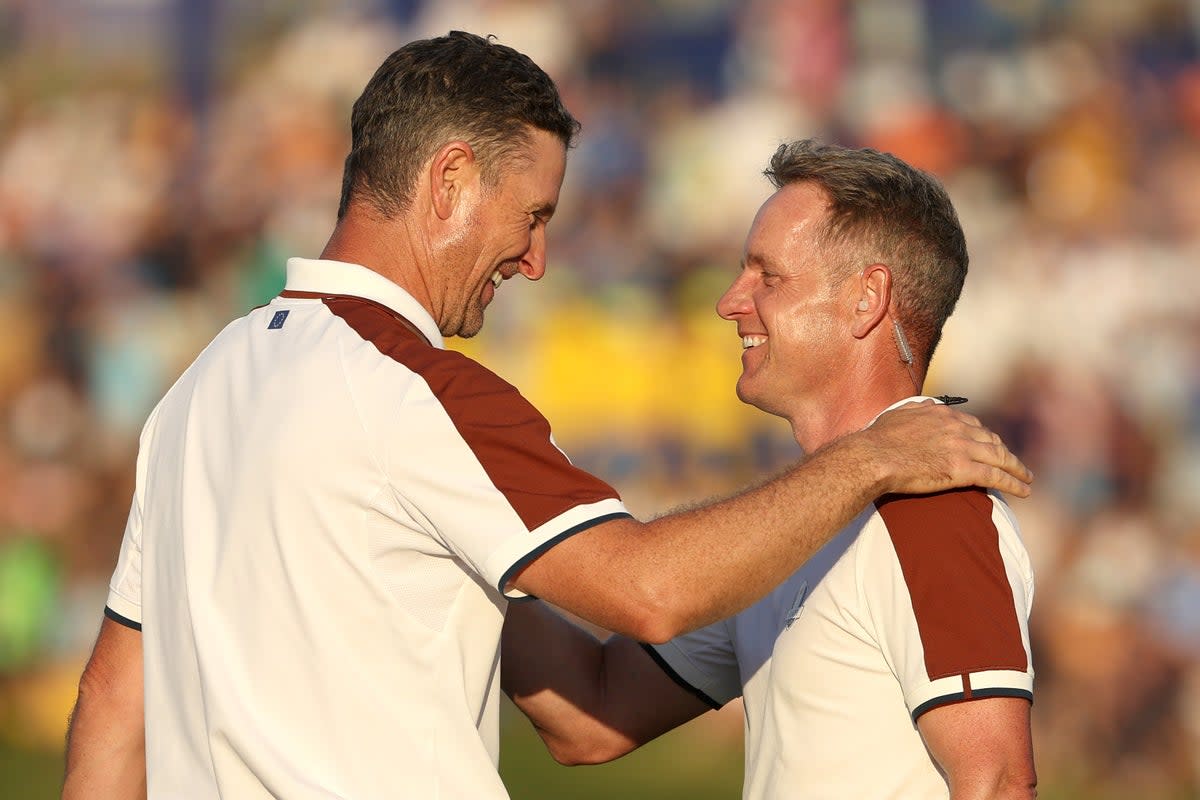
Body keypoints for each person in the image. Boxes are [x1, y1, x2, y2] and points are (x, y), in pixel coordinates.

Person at [61, 32, 1032, 800]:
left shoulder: (201, 386)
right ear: (448, 181)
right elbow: (645, 596)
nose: (533, 260)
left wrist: (474, 552)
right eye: (532, 214)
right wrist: (870, 458)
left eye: (765, 274)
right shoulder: (420, 387)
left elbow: (114, 700)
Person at [503, 139, 1037, 799]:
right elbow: (593, 713)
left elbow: (1000, 782)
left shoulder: (932, 510)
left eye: (768, 276)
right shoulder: (803, 518)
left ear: (868, 298)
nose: (730, 301)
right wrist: (460, 544)